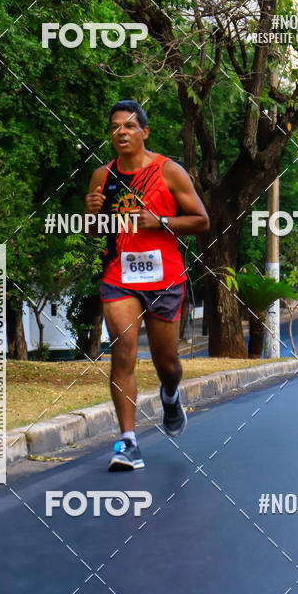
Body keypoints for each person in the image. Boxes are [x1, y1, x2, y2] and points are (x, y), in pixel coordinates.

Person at [85, 100, 210, 471]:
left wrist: (161, 222)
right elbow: (95, 232)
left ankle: (170, 395)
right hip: (119, 276)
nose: (120, 132)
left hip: (164, 277)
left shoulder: (168, 171)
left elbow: (201, 220)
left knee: (166, 363)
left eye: (128, 125)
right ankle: (127, 442)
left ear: (144, 132)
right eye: (114, 127)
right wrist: (90, 215)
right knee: (122, 352)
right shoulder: (102, 176)